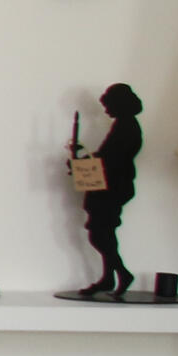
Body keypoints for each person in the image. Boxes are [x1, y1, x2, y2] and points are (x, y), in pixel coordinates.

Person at [73, 83, 143, 299]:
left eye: (108, 105)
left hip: (112, 187)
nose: (105, 110)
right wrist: (84, 160)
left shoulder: (127, 127)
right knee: (102, 232)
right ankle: (109, 277)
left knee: (100, 233)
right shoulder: (123, 125)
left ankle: (121, 273)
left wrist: (85, 161)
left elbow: (110, 158)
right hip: (109, 185)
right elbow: (107, 155)